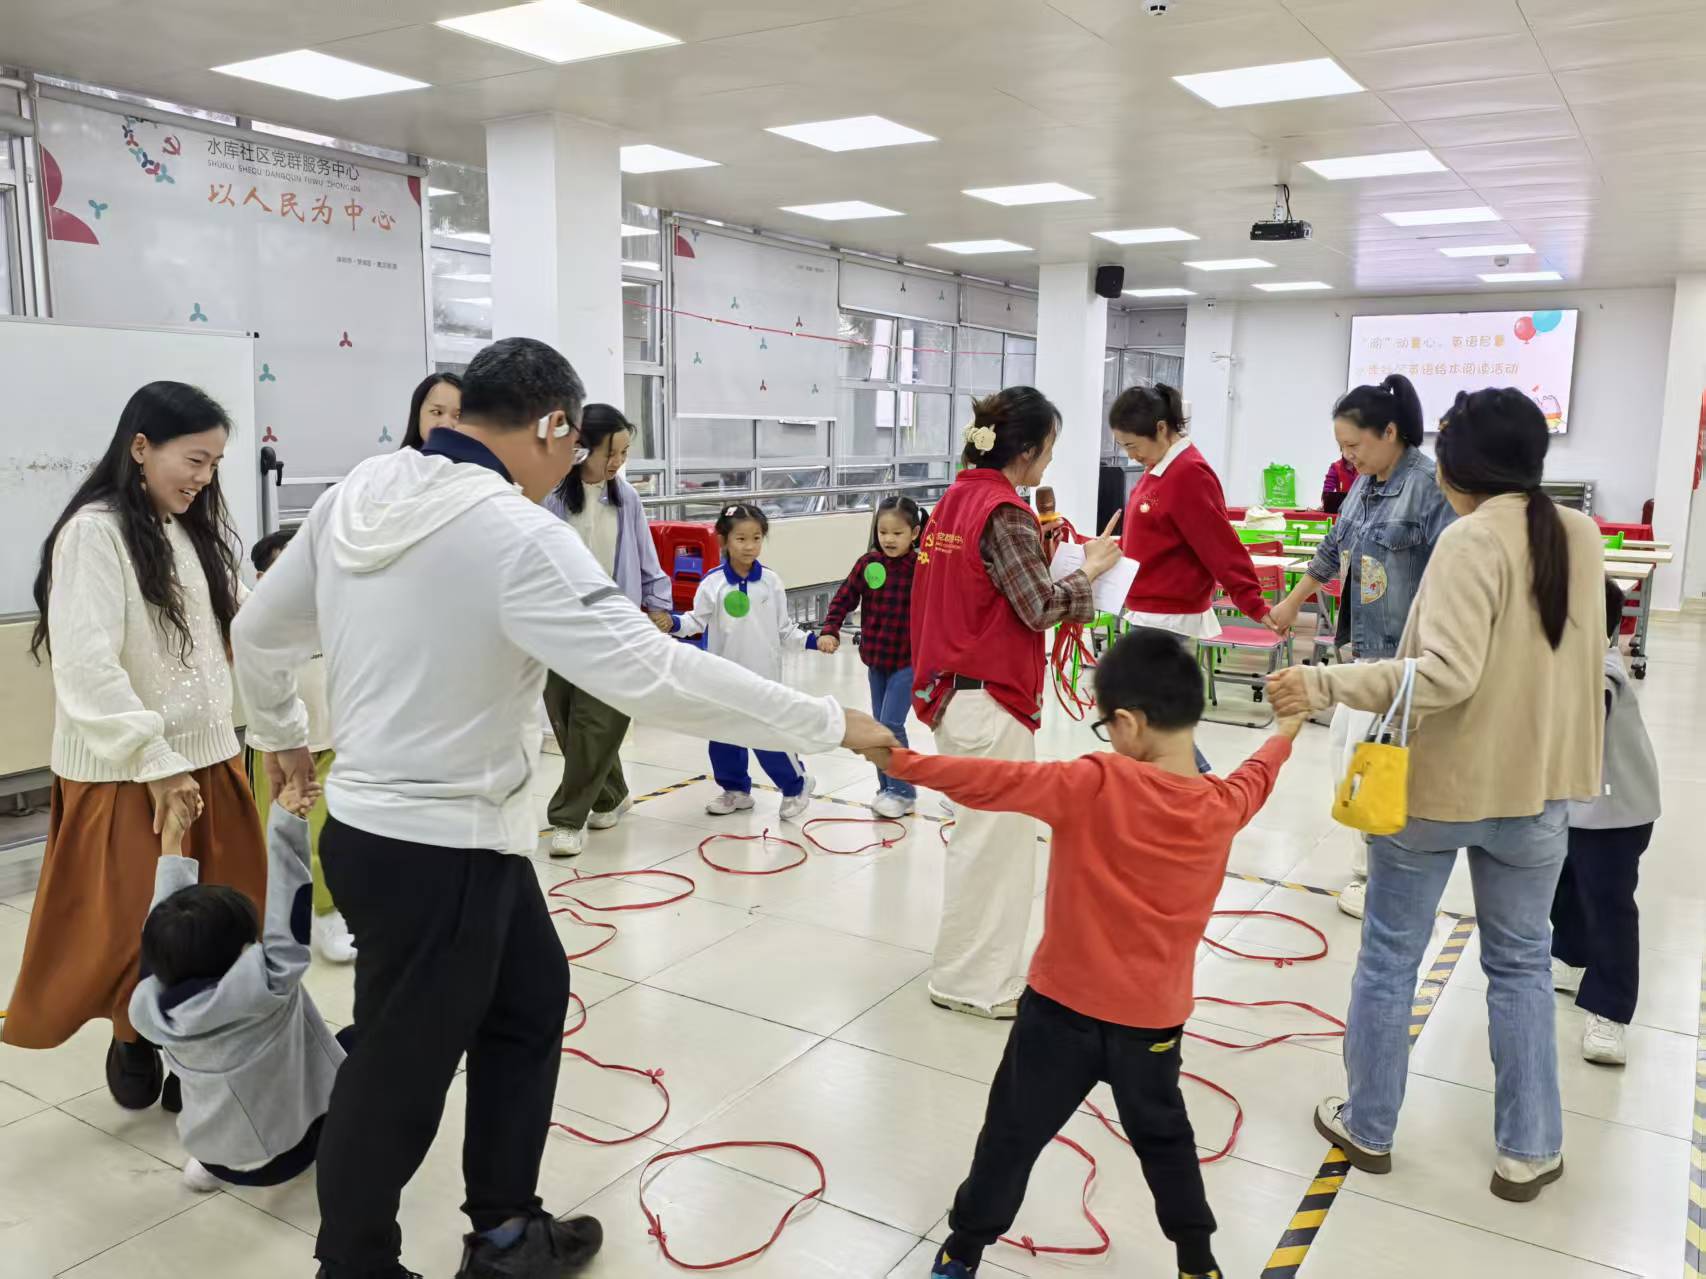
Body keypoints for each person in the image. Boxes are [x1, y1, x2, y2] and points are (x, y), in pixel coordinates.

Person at [234, 337, 894, 1279]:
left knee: (530, 999)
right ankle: (355, 1265)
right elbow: (654, 671)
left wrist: (282, 732)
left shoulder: (359, 493)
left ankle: (506, 1231)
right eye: (576, 444)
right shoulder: (514, 532)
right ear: (552, 424)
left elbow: (259, 628)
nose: (574, 466)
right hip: (446, 848)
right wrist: (827, 721)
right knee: (397, 1072)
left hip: (390, 835)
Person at [867, 629, 1300, 1279]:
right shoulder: (1222, 805)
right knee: (1166, 1142)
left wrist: (900, 762)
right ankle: (1197, 1260)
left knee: (1011, 1135)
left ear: (1129, 723)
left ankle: (963, 1250)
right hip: (1152, 1027)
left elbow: (989, 780)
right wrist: (1286, 729)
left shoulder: (1095, 781)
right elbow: (1256, 776)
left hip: (1058, 1017)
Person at [1268, 387, 1606, 1204]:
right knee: (1522, 966)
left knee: (1391, 957)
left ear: (1459, 465)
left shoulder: (1470, 539)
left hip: (1442, 788)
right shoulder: (1580, 533)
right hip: (1538, 790)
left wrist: (1325, 683)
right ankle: (1529, 1148)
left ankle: (1370, 1124)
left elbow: (1445, 677)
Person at [2, 382, 267, 1114]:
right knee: (133, 927)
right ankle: (134, 1033)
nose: (204, 478)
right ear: (141, 446)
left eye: (214, 464)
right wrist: (154, 761)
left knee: (222, 919)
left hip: (209, 758)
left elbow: (243, 624)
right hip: (130, 771)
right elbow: (87, 668)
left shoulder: (191, 530)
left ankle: (195, 1047)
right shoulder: (94, 533)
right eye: (194, 459)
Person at [910, 387, 1124, 1019]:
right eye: (1049, 448)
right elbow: (1038, 606)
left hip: (955, 692)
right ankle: (974, 983)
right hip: (987, 699)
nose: (1050, 461)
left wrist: (1043, 552)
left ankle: (965, 970)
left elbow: (988, 588)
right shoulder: (1003, 513)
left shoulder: (955, 498)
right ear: (1026, 450)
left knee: (981, 840)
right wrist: (1090, 569)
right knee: (995, 849)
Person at [1264, 374, 1456, 919]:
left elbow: (1453, 567)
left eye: (1354, 444)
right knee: (1346, 756)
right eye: (1342, 447)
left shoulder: (1428, 485)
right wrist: (1291, 603)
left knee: (1377, 762)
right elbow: (1332, 548)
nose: (1348, 456)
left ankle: (1379, 876)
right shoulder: (1364, 484)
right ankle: (1369, 866)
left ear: (1389, 432)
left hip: (1403, 654)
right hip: (1362, 650)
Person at [132, 768, 352, 1193]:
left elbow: (161, 925)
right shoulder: (269, 985)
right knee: (362, 1045)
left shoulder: (149, 1005)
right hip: (290, 1150)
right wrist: (287, 821)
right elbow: (290, 902)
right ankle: (344, 1149)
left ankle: (209, 1167)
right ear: (240, 950)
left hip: (216, 1154)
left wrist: (172, 842)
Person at [1110, 382, 1280, 773]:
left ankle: (1204, 788)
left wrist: (1253, 602)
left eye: (1132, 445)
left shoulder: (1188, 473)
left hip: (1168, 614)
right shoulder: (1158, 470)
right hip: (1148, 609)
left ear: (1161, 429)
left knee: (1150, 721)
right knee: (1149, 719)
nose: (1130, 455)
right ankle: (1192, 791)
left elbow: (1220, 546)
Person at [539, 404, 673, 857]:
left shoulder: (626, 498)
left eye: (624, 453)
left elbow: (646, 557)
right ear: (582, 449)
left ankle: (567, 818)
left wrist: (659, 605)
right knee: (567, 718)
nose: (616, 462)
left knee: (597, 720)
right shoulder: (551, 498)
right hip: (561, 628)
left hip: (615, 628)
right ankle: (611, 795)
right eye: (609, 453)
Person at [1550, 579, 1661, 1067]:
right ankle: (1571, 956)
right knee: (1565, 884)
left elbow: (1590, 711)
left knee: (1608, 904)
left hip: (1618, 817)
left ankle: (1610, 1010)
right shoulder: (1563, 664)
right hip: (1577, 808)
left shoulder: (1603, 669)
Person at [672, 502, 825, 821]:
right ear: (723, 540)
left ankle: (796, 785)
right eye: (741, 539)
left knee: (766, 736)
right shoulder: (712, 583)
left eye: (756, 538)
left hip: (763, 677)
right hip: (722, 677)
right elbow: (694, 622)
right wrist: (672, 623)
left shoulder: (771, 581)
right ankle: (736, 790)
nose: (750, 546)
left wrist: (812, 640)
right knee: (724, 735)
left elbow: (784, 629)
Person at [248, 529, 353, 961]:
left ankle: (330, 917)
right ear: (262, 577)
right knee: (277, 838)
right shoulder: (257, 622)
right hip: (277, 750)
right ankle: (282, 920)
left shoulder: (336, 611)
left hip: (335, 742)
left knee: (328, 836)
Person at [818, 495, 926, 818]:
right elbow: (844, 598)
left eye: (897, 533)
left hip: (908, 661)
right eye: (883, 532)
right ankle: (887, 788)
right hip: (876, 660)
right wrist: (830, 629)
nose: (889, 539)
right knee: (879, 726)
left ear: (915, 533)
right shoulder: (868, 564)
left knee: (891, 723)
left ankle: (904, 791)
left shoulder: (922, 567)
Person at [398, 371, 462, 450]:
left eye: (458, 416)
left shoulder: (474, 458)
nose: (446, 425)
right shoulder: (400, 457)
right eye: (437, 412)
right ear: (418, 414)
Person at [1321, 448, 1360, 515]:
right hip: (1342, 511)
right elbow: (1327, 492)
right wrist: (1325, 503)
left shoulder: (1364, 467)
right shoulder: (1335, 467)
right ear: (1341, 449)